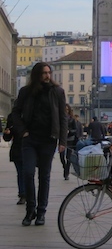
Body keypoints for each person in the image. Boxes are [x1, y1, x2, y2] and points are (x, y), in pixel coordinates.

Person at [11, 62, 67, 226]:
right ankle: (30, 210)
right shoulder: (26, 92)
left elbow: (63, 117)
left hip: (48, 140)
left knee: (44, 176)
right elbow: (15, 112)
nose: (47, 76)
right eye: (43, 73)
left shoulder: (57, 92)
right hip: (30, 139)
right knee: (28, 173)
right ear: (36, 75)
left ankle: (41, 212)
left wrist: (62, 140)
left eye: (49, 73)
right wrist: (22, 131)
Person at [3, 112, 26, 205]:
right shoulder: (12, 116)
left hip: (29, 147)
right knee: (21, 173)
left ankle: (28, 194)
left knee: (27, 173)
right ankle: (23, 194)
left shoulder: (31, 113)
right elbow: (7, 137)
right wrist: (7, 133)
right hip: (17, 149)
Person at [60, 104, 82, 180]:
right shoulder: (60, 118)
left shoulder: (72, 119)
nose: (66, 111)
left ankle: (66, 173)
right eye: (64, 109)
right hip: (62, 139)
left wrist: (69, 131)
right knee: (61, 156)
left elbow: (75, 129)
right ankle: (65, 167)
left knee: (68, 157)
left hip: (70, 139)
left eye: (67, 109)